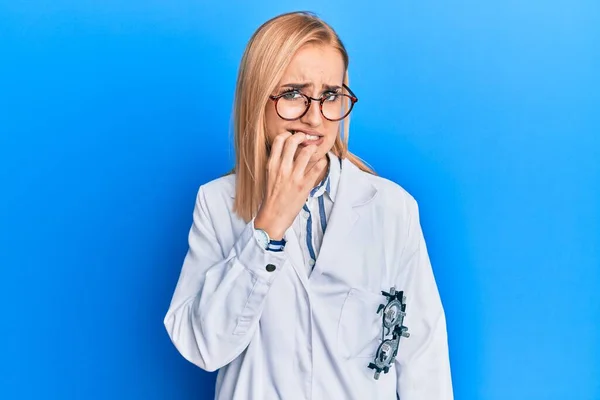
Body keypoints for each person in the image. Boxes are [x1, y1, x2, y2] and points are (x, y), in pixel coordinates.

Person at [164, 11, 453, 400]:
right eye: (293, 94)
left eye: (330, 95)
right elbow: (202, 347)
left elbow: (424, 360)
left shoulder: (392, 209)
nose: (315, 118)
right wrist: (267, 229)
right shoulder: (216, 204)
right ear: (257, 100)